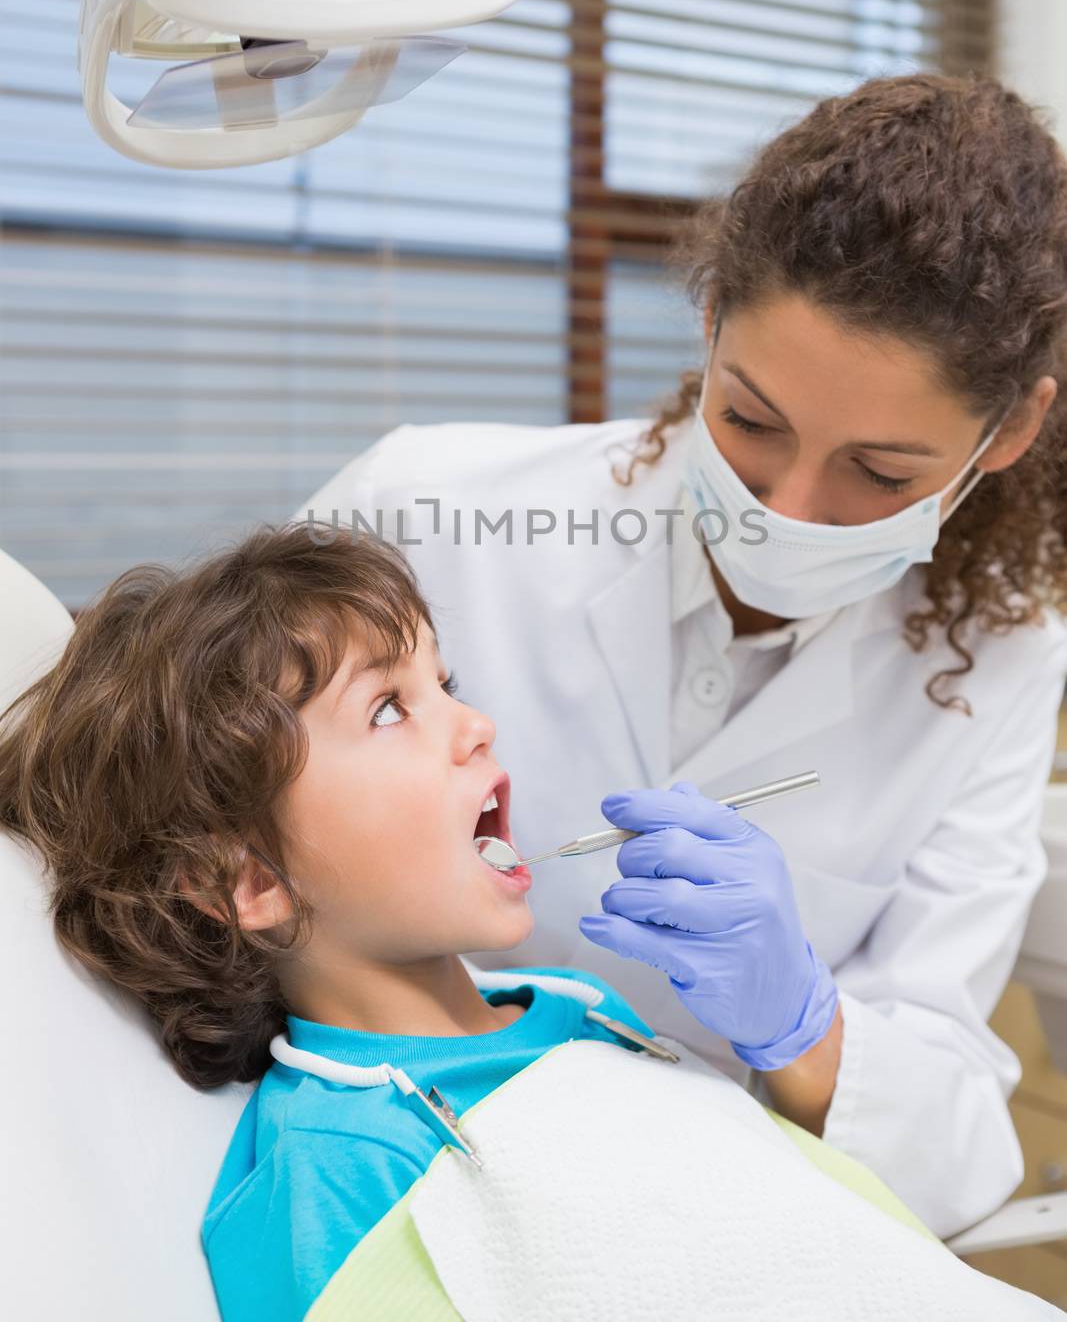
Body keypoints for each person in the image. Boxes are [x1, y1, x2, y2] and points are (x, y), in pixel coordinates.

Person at [296, 72, 1067, 1237]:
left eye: (879, 472)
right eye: (750, 420)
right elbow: (180, 792)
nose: (789, 507)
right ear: (707, 320)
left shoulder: (998, 663)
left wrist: (804, 1025)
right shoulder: (424, 507)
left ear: (1004, 433)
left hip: (694, 1225)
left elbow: (954, 1138)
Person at [0, 522, 954, 1322]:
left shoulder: (572, 1007)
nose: (475, 723)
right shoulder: (330, 1181)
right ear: (251, 881)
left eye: (445, 683)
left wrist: (796, 1026)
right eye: (386, 709)